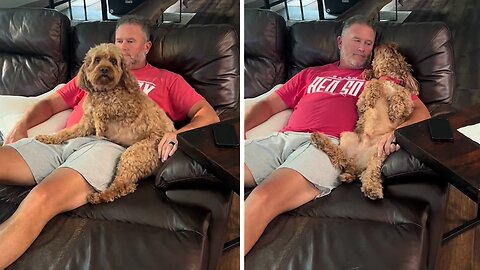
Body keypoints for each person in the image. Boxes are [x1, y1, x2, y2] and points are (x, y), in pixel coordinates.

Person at [0, 15, 219, 268]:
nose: (123, 47)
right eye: (118, 40)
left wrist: (177, 134)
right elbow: (50, 103)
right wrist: (22, 125)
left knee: (39, 200)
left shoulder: (168, 80)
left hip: (108, 147)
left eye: (130, 41)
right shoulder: (91, 72)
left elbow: (208, 115)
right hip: (66, 139)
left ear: (146, 47)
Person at [243, 15, 431, 255]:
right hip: (283, 140)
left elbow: (421, 111)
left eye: (368, 43)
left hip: (328, 148)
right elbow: (269, 105)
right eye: (356, 40)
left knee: (261, 199)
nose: (363, 48)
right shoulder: (310, 73)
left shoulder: (378, 81)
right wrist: (242, 126)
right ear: (340, 42)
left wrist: (395, 133)